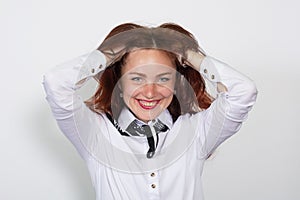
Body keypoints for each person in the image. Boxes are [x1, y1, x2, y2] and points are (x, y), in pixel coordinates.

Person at [43, 22, 258, 200]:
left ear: (176, 82)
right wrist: (110, 54)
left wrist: (188, 54)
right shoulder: (95, 133)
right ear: (119, 82)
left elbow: (243, 92)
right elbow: (56, 82)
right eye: (137, 78)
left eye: (163, 78)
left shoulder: (196, 131)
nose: (150, 92)